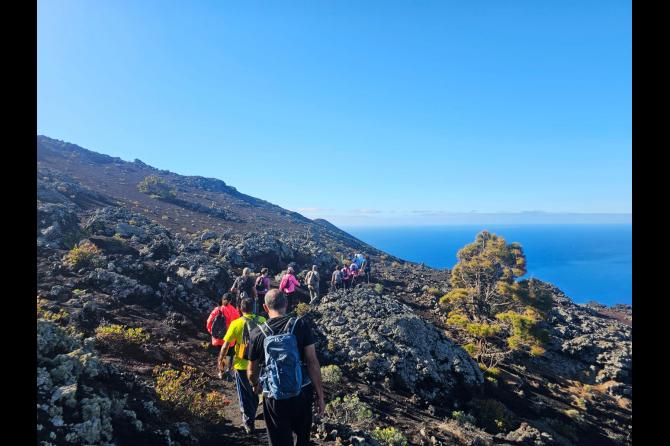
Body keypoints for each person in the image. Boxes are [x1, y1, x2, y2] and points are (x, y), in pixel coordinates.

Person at [247, 290, 325, 446]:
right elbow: (312, 362)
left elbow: (251, 372)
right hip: (302, 392)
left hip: (274, 396)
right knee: (301, 439)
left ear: (265, 307)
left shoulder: (257, 333)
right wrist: (320, 396)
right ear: (286, 304)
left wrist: (255, 384)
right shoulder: (301, 325)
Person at [219, 298, 267, 434]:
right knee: (256, 390)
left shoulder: (236, 323)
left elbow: (225, 345)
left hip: (241, 365)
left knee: (244, 394)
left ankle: (248, 422)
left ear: (240, 309)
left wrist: (221, 361)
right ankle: (253, 413)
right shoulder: (262, 321)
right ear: (254, 307)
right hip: (259, 364)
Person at [206, 293, 241, 379]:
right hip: (230, 339)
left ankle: (221, 372)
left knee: (221, 355)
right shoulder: (234, 311)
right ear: (231, 301)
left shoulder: (217, 310)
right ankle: (229, 371)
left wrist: (212, 332)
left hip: (219, 338)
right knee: (230, 355)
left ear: (222, 299)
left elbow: (209, 322)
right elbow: (238, 325)